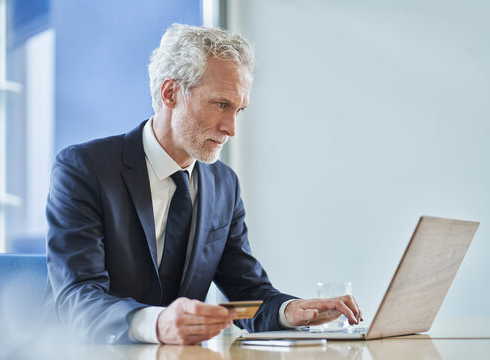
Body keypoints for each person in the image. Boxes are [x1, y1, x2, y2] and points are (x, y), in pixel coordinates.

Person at [45, 23, 362, 345]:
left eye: (239, 110)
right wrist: (155, 323)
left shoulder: (224, 183)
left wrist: (290, 310)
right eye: (221, 105)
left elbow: (248, 291)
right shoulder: (84, 168)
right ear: (171, 93)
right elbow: (77, 296)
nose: (231, 128)